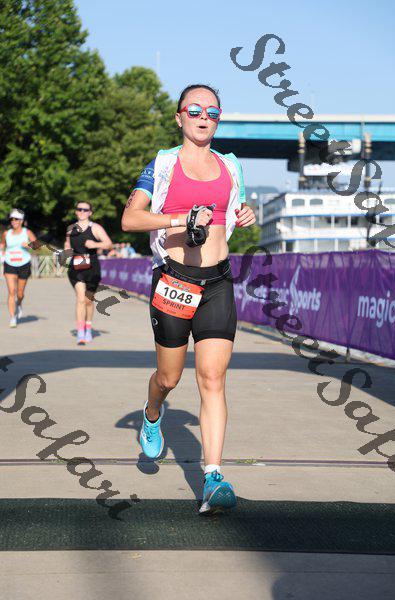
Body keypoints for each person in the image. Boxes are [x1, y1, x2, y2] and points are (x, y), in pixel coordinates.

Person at [121, 84, 256, 514]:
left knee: (213, 378)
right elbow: (130, 219)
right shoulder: (162, 164)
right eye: (194, 110)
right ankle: (152, 412)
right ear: (179, 117)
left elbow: (234, 211)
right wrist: (182, 218)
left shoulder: (230, 166)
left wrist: (245, 214)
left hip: (217, 281)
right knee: (169, 378)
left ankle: (213, 477)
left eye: (212, 112)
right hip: (175, 282)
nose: (203, 118)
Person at [64, 201, 112, 345]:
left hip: (92, 268)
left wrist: (95, 244)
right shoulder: (70, 229)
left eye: (85, 210)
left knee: (88, 301)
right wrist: (66, 251)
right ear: (76, 211)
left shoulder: (95, 228)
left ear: (90, 212)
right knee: (80, 298)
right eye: (79, 209)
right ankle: (80, 332)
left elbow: (109, 244)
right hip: (76, 267)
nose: (82, 212)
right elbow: (67, 244)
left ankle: (88, 328)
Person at [1, 209, 36, 328]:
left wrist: (29, 245)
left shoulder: (27, 232)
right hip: (9, 263)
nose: (13, 221)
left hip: (24, 264)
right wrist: (2, 251)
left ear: (21, 221)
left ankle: (19, 304)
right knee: (12, 291)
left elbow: (37, 245)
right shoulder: (6, 233)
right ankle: (12, 317)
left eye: (16, 219)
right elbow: (2, 244)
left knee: (20, 293)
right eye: (12, 219)